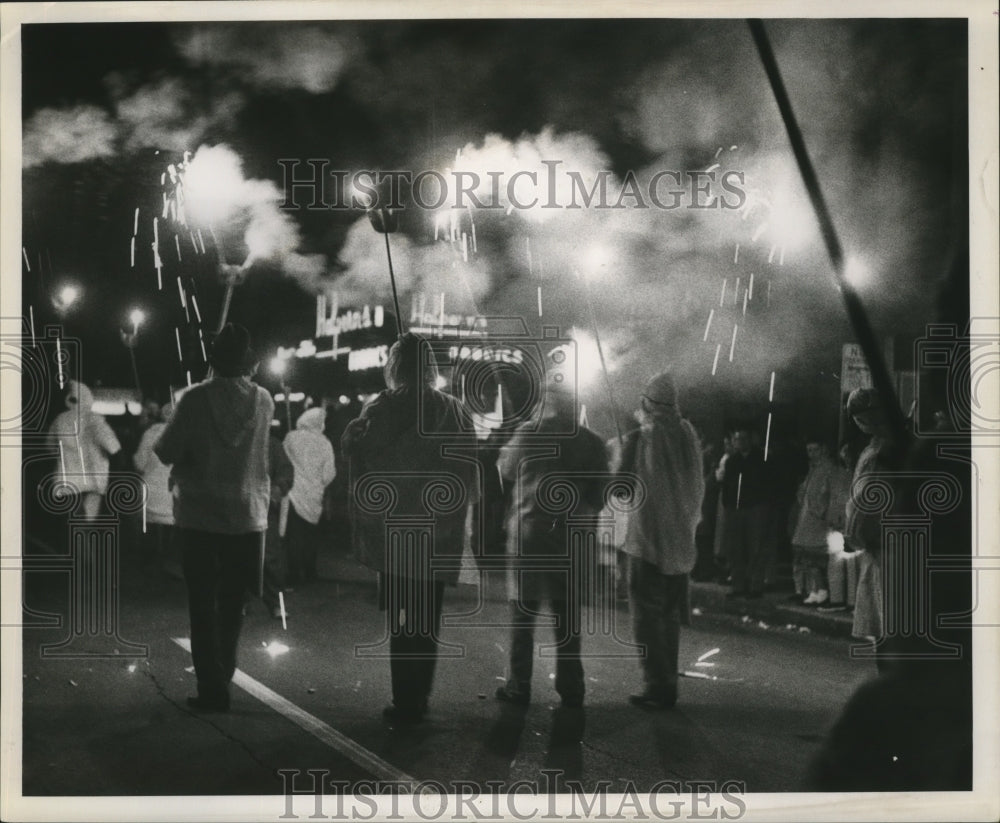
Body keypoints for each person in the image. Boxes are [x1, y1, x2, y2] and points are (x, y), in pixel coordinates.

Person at [342, 333, 479, 727]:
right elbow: (468, 474)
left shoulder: (382, 408)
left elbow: (363, 458)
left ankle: (405, 700)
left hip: (397, 534)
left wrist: (351, 439)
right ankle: (420, 695)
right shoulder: (457, 411)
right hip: (439, 535)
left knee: (403, 621)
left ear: (396, 366)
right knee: (427, 620)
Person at [154, 323, 273, 713]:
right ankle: (224, 673)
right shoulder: (264, 400)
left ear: (213, 360)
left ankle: (211, 688)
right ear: (250, 362)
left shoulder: (193, 399)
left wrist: (186, 414)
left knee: (202, 603)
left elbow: (166, 451)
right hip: (247, 515)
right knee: (233, 602)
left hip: (199, 517)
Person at [494, 357, 608, 709]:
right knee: (567, 617)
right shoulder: (592, 442)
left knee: (523, 616)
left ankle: (519, 685)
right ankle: (572, 688)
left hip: (530, 536)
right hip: (571, 540)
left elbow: (506, 470)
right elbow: (602, 493)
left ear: (547, 398)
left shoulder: (530, 432)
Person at [615, 373, 704, 710]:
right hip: (681, 539)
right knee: (668, 615)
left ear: (646, 402)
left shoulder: (641, 437)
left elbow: (621, 487)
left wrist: (624, 455)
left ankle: (657, 683)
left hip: (647, 540)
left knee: (646, 615)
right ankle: (668, 682)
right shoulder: (687, 433)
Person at [843, 387, 895, 670]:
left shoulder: (880, 452)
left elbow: (866, 505)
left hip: (885, 548)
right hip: (897, 545)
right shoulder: (897, 443)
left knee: (889, 625)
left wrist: (854, 536)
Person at [47, 380, 122, 521]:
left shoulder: (59, 420)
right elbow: (114, 448)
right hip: (92, 484)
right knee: (85, 525)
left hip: (65, 484)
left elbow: (50, 448)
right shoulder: (94, 419)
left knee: (71, 525)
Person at [283, 407, 336, 585]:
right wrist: (319, 484)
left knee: (293, 536)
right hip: (313, 495)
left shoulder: (291, 437)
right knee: (310, 536)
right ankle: (310, 572)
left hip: (293, 494)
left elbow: (284, 462)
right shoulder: (324, 443)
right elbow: (329, 473)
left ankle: (294, 574)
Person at [719, 427, 769, 598]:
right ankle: (738, 586)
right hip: (735, 508)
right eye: (737, 439)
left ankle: (756, 586)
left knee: (756, 548)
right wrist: (728, 505)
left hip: (755, 507)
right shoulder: (732, 461)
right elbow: (726, 485)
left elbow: (768, 483)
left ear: (750, 440)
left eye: (744, 438)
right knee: (735, 549)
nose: (741, 442)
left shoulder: (761, 459)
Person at [790, 439, 839, 605]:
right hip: (807, 515)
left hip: (818, 517)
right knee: (807, 557)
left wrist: (820, 511)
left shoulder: (828, 469)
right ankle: (814, 589)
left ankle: (822, 589)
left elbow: (827, 493)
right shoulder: (813, 469)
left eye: (814, 450)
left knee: (817, 557)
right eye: (809, 450)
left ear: (823, 450)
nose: (811, 454)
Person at [133, 402, 177, 575]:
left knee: (148, 525)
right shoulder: (186, 433)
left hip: (149, 489)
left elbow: (139, 462)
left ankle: (148, 563)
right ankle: (168, 561)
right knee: (172, 525)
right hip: (173, 490)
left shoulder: (150, 433)